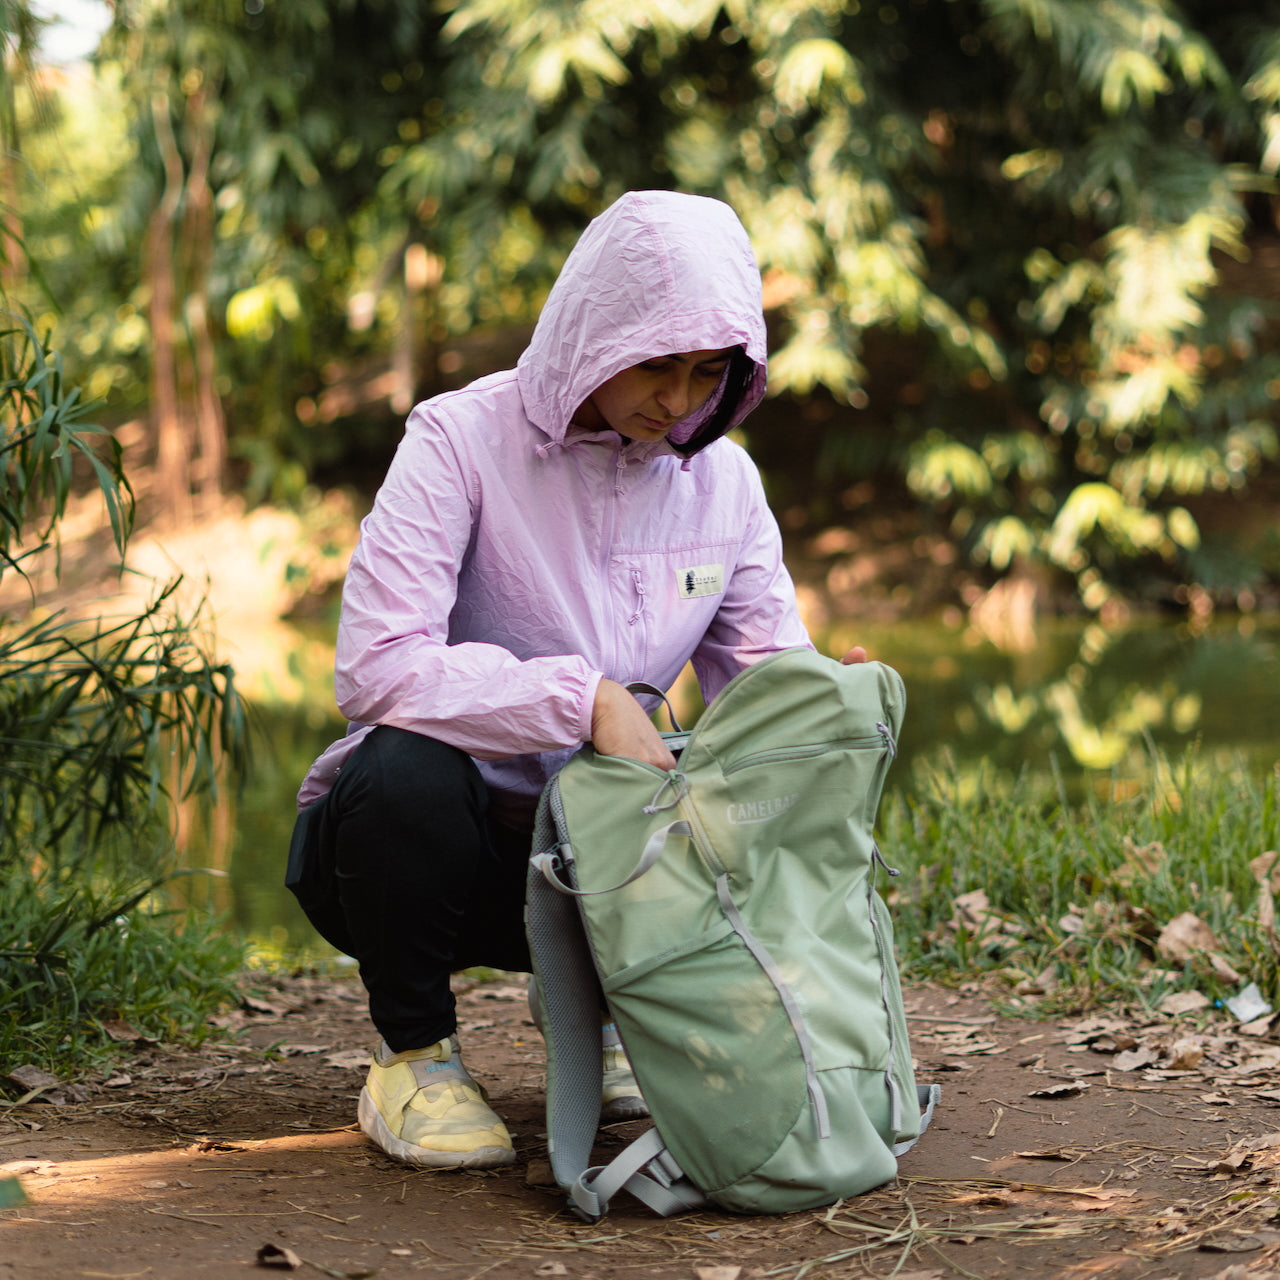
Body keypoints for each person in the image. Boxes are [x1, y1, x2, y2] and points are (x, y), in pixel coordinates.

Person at [286, 189, 865, 1171]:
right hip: (443, 857)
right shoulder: (457, 439)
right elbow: (375, 667)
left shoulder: (723, 484)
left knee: (727, 786)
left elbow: (759, 682)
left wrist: (819, 707)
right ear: (597, 332)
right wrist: (580, 697)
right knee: (401, 771)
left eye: (705, 372)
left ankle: (613, 1022)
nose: (678, 400)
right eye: (654, 364)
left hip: (613, 866)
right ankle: (413, 1055)